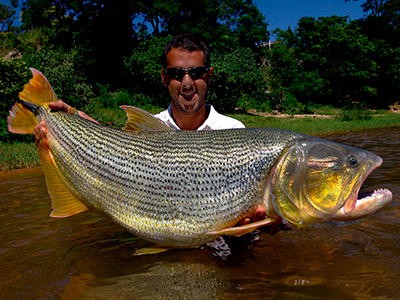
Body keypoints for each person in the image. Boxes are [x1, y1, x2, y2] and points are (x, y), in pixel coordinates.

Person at [34, 33, 266, 225]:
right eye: (176, 74)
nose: (187, 83)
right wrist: (73, 118)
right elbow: (114, 151)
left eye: (196, 73)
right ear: (164, 78)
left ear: (210, 75)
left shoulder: (235, 131)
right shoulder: (147, 129)